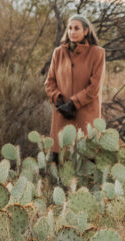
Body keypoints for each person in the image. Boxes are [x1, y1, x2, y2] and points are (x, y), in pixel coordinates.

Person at [44, 15, 105, 150]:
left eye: (76, 28)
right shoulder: (58, 53)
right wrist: (59, 100)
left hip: (86, 116)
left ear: (86, 31)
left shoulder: (97, 53)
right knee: (60, 160)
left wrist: (73, 104)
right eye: (70, 28)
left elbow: (94, 87)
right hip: (62, 115)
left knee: (86, 158)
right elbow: (49, 82)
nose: (72, 32)